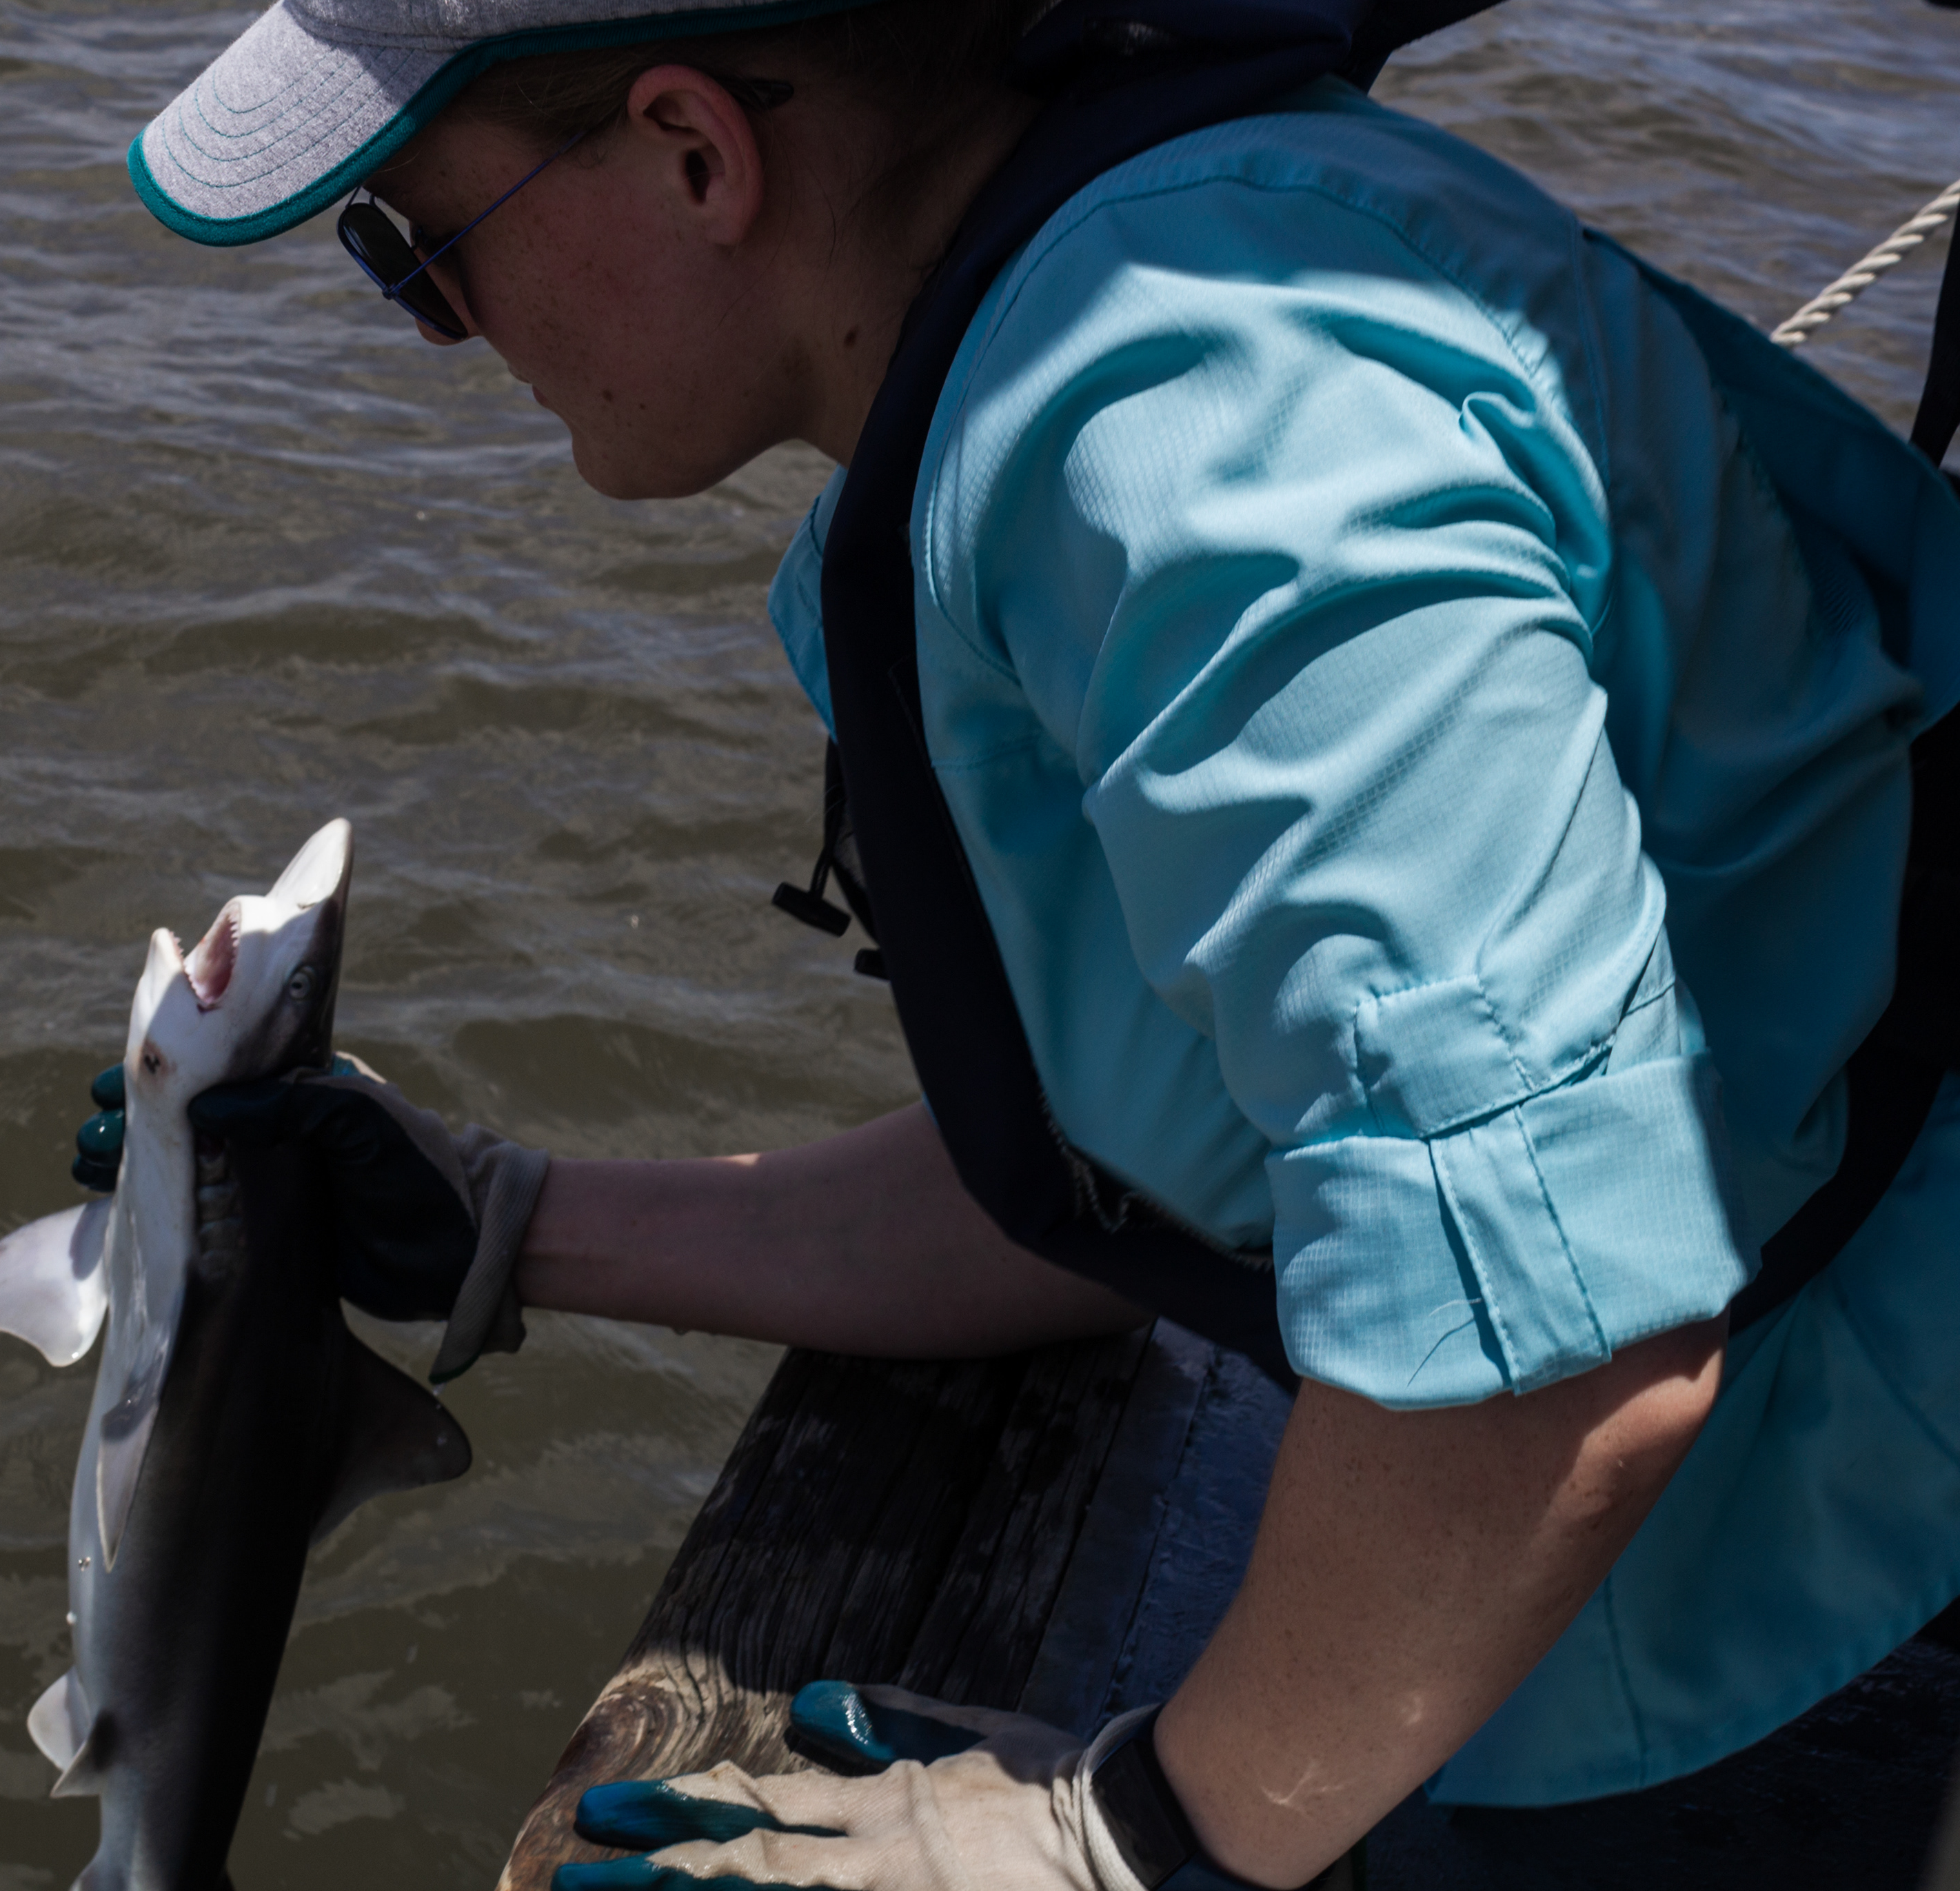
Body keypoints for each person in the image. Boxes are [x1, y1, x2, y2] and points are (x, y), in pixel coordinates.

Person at [99, 0, 1960, 1883]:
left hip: (1836, 1560)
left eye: (413, 251)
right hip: (1633, 1550)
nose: (441, 329)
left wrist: (1129, 1834)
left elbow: (1556, 1337)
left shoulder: (1197, 439)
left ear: (694, 151)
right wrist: (510, 1220)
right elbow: (1210, 1176)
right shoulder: (1102, 311)